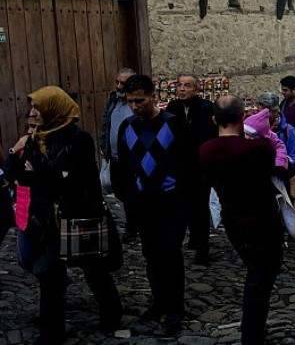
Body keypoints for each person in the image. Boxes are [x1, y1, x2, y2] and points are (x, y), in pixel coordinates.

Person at [7, 86, 123, 344]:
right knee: (49, 273)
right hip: (47, 220)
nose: (33, 113)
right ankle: (52, 331)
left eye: (39, 107)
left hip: (78, 214)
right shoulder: (33, 139)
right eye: (32, 108)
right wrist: (15, 153)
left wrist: (37, 173)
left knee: (94, 269)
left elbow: (73, 181)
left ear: (54, 109)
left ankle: (112, 313)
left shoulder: (78, 139)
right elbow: (16, 174)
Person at [199, 96, 282, 345]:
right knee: (260, 279)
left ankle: (254, 330)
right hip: (264, 222)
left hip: (234, 221)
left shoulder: (206, 151)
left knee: (256, 274)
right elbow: (274, 159)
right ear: (242, 116)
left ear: (215, 119)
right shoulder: (259, 149)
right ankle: (252, 334)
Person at [114, 75, 188, 334]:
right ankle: (159, 302)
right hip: (143, 204)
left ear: (153, 96)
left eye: (140, 100)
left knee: (170, 255)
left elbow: (188, 165)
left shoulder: (174, 124)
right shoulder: (127, 127)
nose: (134, 106)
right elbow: (123, 166)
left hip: (170, 204)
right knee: (151, 256)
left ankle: (175, 309)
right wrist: (129, 199)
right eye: (130, 101)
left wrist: (181, 196)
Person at [166, 74, 217, 265]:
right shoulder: (173, 108)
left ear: (196, 89)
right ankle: (191, 238)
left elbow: (211, 136)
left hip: (200, 167)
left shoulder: (206, 108)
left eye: (187, 86)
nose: (182, 89)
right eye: (179, 85)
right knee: (182, 206)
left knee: (200, 208)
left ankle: (202, 248)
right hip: (179, 167)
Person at [100, 67, 137, 241]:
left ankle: (133, 227)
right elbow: (106, 124)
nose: (119, 86)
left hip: (133, 158)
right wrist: (104, 146)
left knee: (132, 193)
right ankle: (132, 223)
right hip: (114, 157)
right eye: (117, 82)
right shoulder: (113, 100)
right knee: (120, 191)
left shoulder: (136, 103)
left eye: (124, 83)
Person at [258, 92, 295, 172]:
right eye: (261, 112)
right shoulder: (254, 129)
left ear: (276, 111)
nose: (266, 115)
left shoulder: (288, 130)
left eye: (270, 112)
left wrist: (280, 162)